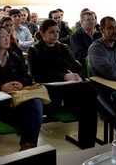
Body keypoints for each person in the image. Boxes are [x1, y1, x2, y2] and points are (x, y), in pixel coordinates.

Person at [27, 19, 98, 149]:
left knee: (89, 105)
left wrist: (78, 76)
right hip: (51, 92)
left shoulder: (63, 48)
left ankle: (87, 147)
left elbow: (76, 67)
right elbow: (37, 76)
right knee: (90, 93)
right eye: (51, 32)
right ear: (42, 34)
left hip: (70, 90)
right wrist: (64, 76)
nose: (56, 35)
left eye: (57, 32)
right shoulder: (34, 50)